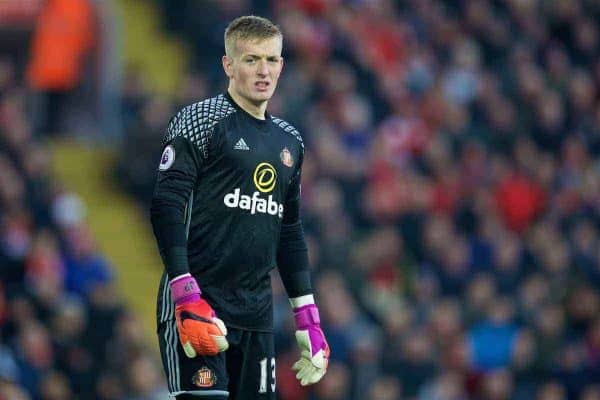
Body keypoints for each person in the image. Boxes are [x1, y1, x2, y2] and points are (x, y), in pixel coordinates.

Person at [150, 15, 330, 400]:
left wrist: (307, 316)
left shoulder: (291, 142)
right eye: (251, 60)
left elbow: (289, 230)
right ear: (228, 65)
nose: (264, 71)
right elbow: (166, 206)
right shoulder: (200, 121)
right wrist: (184, 293)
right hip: (200, 305)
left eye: (272, 60)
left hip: (257, 317)